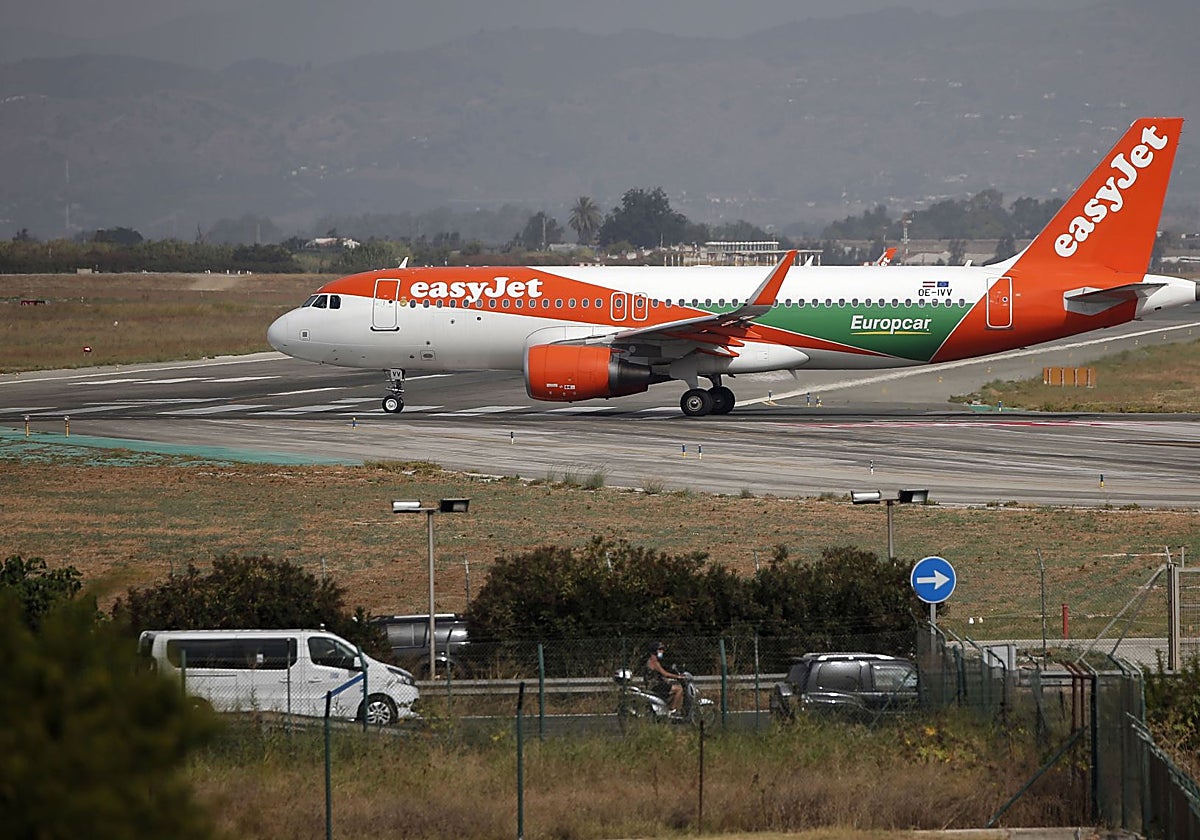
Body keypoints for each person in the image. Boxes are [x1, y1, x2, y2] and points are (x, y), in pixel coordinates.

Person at [644, 641, 684, 715]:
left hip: (656, 684)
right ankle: (672, 710)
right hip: (656, 686)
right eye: (660, 650)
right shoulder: (654, 662)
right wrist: (678, 676)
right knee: (679, 689)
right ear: (654, 651)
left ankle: (667, 707)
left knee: (672, 688)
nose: (662, 651)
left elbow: (659, 675)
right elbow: (664, 673)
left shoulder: (652, 661)